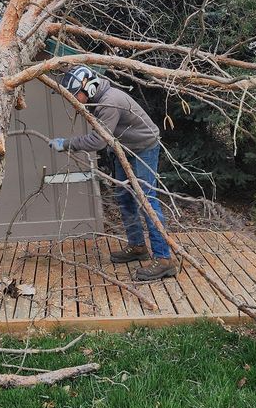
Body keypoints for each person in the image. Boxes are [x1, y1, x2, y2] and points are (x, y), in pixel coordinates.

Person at [49, 65, 178, 281]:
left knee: (147, 201)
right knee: (124, 197)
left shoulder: (109, 102)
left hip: (143, 148)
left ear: (88, 87)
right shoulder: (97, 100)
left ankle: (164, 259)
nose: (74, 100)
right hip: (124, 148)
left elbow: (99, 140)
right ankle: (138, 246)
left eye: (75, 95)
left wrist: (66, 144)